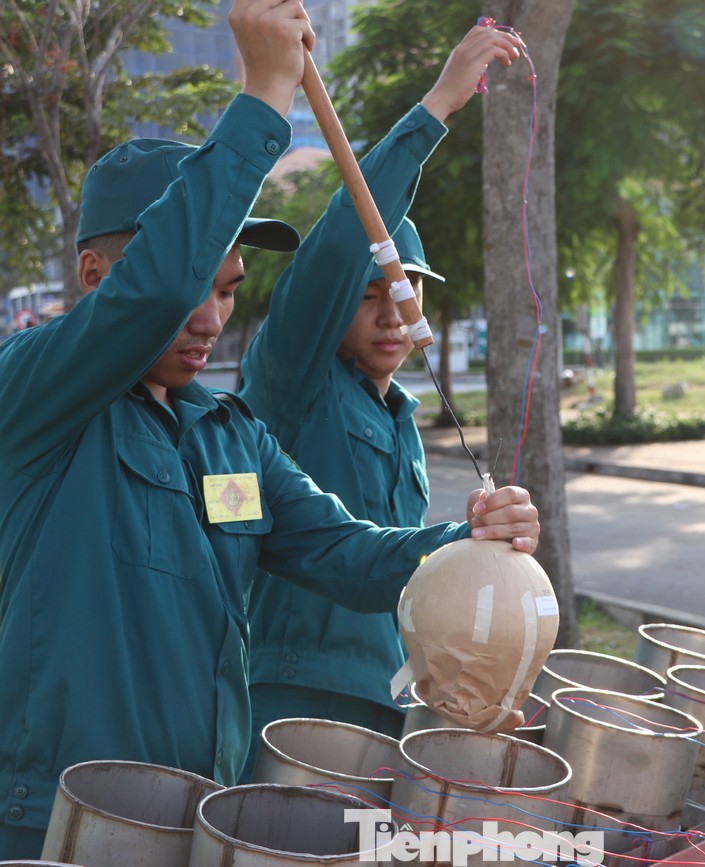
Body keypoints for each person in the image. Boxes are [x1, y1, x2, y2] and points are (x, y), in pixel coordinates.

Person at [0, 3, 538, 863]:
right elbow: (156, 291)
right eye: (197, 283)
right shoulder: (36, 399)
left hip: (194, 813)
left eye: (229, 289)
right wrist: (266, 94)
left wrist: (470, 540)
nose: (209, 317)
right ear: (92, 273)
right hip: (52, 820)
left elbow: (353, 554)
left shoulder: (231, 442)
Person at [238, 24, 525, 756]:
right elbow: (338, 247)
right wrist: (437, 106)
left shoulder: (401, 418)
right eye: (370, 295)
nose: (394, 313)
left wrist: (477, 538)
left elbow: (400, 565)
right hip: (293, 698)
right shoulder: (293, 379)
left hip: (388, 699)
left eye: (405, 291)